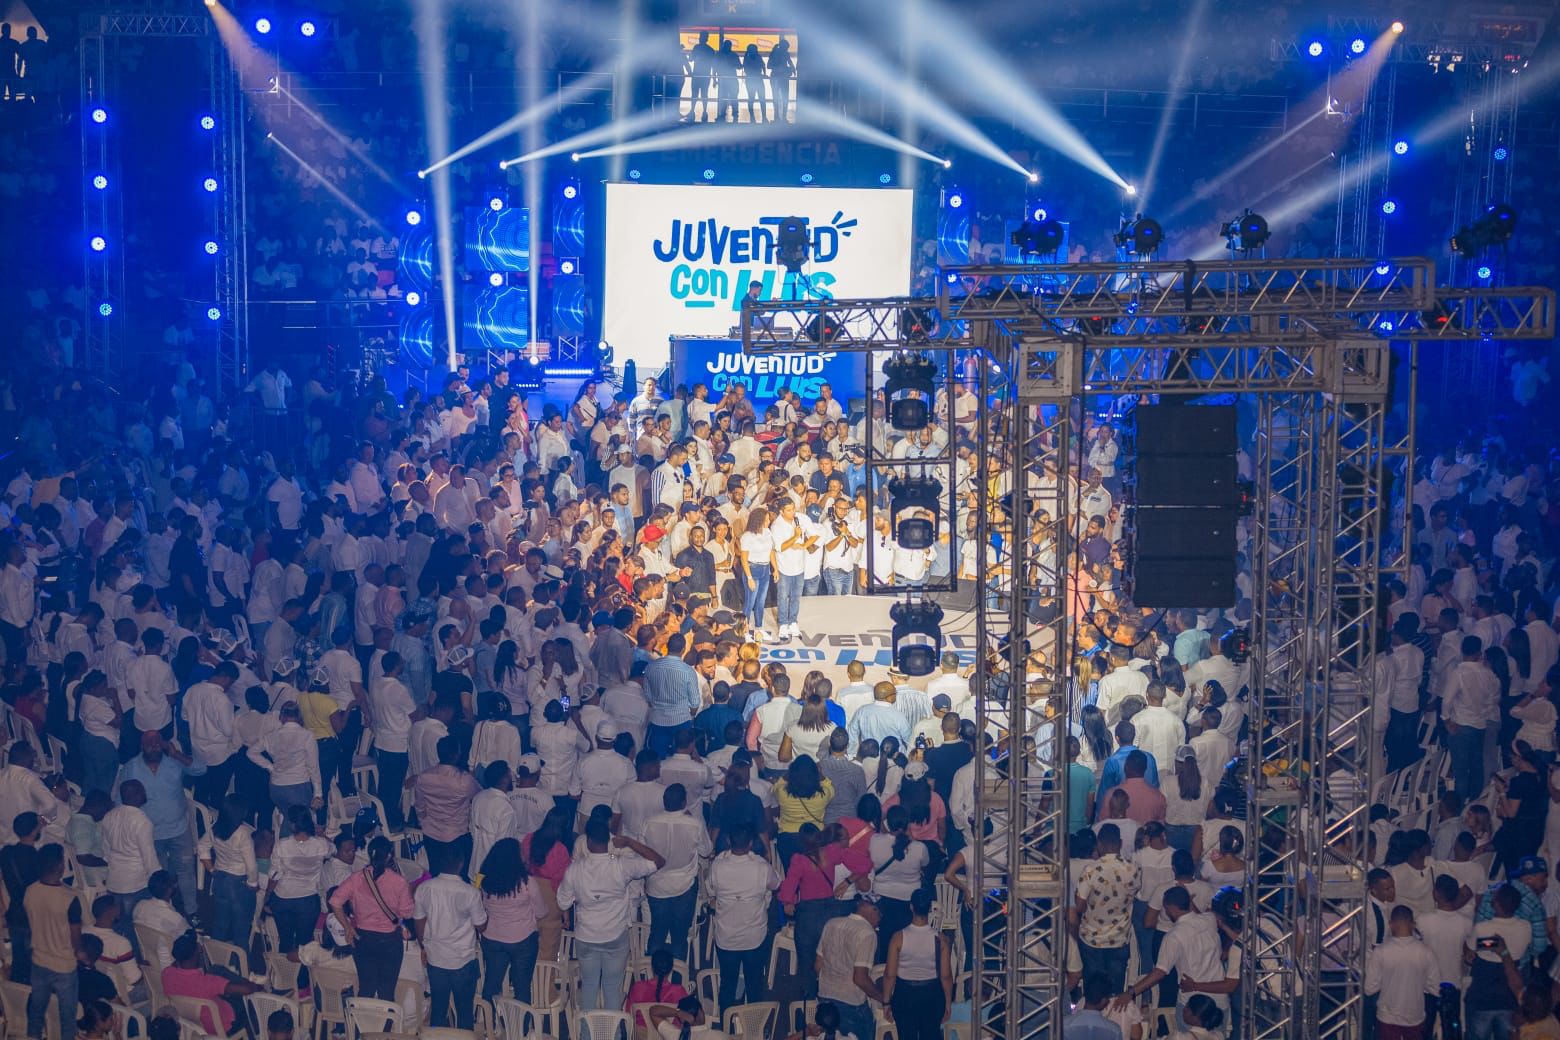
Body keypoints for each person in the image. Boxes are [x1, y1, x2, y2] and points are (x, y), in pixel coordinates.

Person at [556, 818, 665, 1011]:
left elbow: (562, 902)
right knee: (612, 988)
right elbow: (658, 861)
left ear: (588, 842)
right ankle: (612, 1033)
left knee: (589, 986)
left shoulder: (574, 870)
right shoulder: (621, 865)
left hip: (586, 936)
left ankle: (586, 1034)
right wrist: (630, 842)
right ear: (609, 841)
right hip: (615, 935)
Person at [329, 836, 414, 1001]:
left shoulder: (356, 878)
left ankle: (361, 1026)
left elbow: (335, 901)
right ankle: (385, 1026)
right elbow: (407, 913)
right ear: (389, 856)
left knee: (366, 989)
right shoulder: (399, 882)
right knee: (387, 992)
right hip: (389, 941)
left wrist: (348, 927)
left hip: (363, 938)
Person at [707, 824, 780, 1012]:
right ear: (750, 844)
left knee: (727, 984)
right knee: (754, 985)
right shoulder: (761, 867)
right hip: (754, 937)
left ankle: (725, 1026)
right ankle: (753, 1027)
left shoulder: (718, 866)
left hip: (726, 937)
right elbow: (776, 884)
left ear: (729, 842)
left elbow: (710, 888)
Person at [414, 846, 487, 1030]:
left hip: (436, 957)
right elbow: (481, 926)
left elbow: (419, 921)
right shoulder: (470, 892)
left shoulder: (424, 888)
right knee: (464, 1013)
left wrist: (423, 946)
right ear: (461, 864)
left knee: (438, 1011)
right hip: (462, 959)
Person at [1072, 822, 1140, 992]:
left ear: (1099, 844)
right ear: (1121, 843)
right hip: (1119, 938)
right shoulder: (1133, 868)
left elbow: (1079, 907)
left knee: (1093, 990)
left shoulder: (1091, 870)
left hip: (1091, 938)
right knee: (1115, 992)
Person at [24, 844, 82, 1040]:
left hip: (39, 960)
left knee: (36, 1013)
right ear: (60, 865)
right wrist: (79, 951)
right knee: (67, 1019)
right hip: (64, 964)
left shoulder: (30, 891)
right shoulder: (70, 898)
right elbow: (76, 937)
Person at [881, 888, 953, 1040]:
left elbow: (889, 974)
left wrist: (886, 1002)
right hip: (932, 994)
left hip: (905, 994)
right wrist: (948, 1002)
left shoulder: (898, 937)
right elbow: (946, 976)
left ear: (911, 907)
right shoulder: (940, 938)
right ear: (929, 909)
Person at [477, 838, 541, 1003]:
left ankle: (489, 1024)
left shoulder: (483, 880)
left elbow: (481, 903)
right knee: (522, 987)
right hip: (522, 939)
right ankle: (521, 1027)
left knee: (491, 984)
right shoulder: (527, 882)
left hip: (492, 938)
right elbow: (541, 911)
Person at [161, 931, 261, 1036]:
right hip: (221, 1025)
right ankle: (255, 1029)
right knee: (247, 997)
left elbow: (175, 965)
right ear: (196, 953)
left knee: (216, 969)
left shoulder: (166, 974)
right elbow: (246, 990)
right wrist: (255, 987)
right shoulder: (207, 982)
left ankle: (235, 986)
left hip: (191, 1021)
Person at [816, 896, 883, 1040]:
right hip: (851, 1003)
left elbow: (817, 965)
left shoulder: (831, 923)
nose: (879, 920)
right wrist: (882, 998)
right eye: (880, 914)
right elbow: (860, 978)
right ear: (873, 910)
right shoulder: (867, 934)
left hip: (825, 1000)